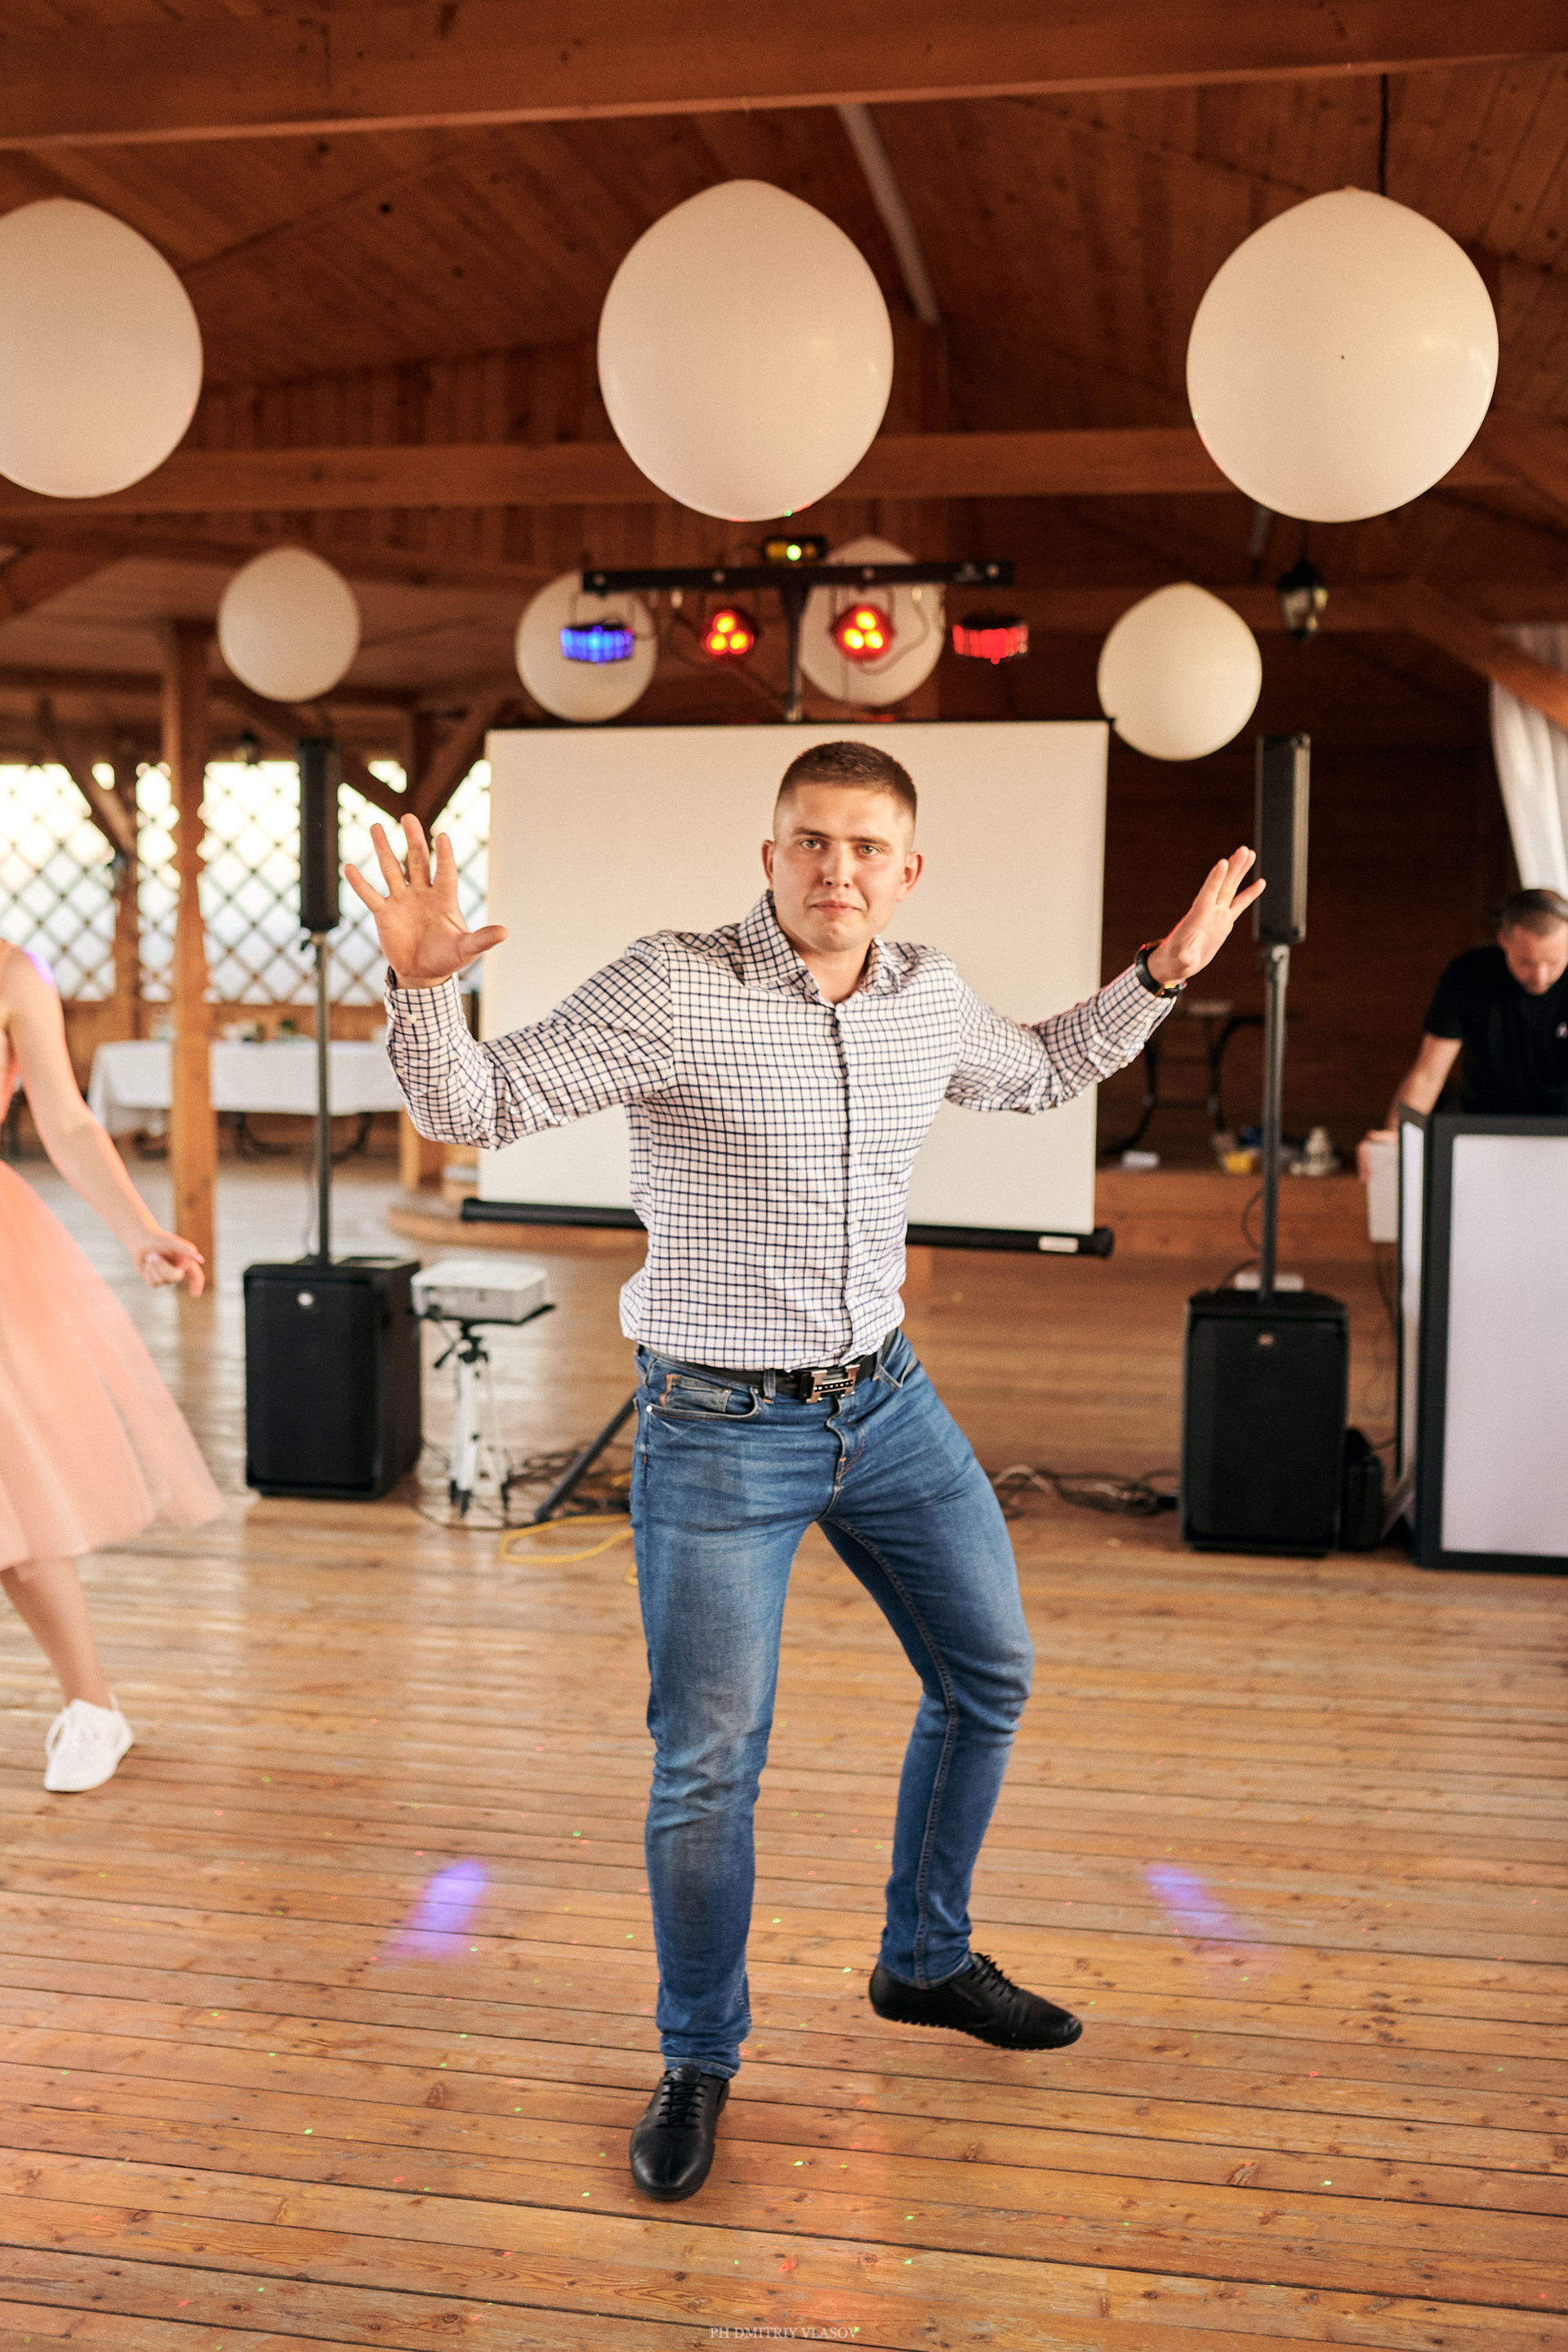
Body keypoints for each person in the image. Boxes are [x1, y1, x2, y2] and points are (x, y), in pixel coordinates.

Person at [348, 739, 1263, 2203]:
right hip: (719, 1430)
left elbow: (1041, 1071)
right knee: (710, 1768)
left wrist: (1162, 970)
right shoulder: (674, 984)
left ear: (907, 871)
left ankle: (926, 1959)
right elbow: (478, 1106)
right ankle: (698, 2055)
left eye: (867, 848)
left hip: (886, 1407)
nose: (840, 870)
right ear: (770, 858)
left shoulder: (924, 995)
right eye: (813, 843)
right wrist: (418, 987)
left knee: (989, 1674)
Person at [0, 942, 222, 1792]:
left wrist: (137, 1229)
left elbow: (66, 1120)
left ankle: (93, 1708)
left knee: (13, 1496)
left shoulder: (12, 974)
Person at [1360, 887, 1568, 1167]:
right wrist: (1398, 1134)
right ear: (1503, 940)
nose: (1540, 977)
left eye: (1553, 963)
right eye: (1526, 963)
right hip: (1483, 1131)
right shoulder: (1467, 975)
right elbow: (1428, 1074)